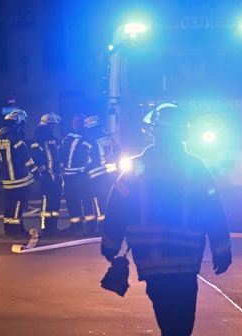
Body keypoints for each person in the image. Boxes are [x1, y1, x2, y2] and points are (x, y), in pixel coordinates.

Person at [101, 102, 232, 336]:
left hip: (151, 261)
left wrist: (110, 245)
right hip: (186, 260)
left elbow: (117, 207)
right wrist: (222, 250)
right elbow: (214, 209)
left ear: (153, 131)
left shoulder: (137, 166)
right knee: (181, 324)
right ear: (184, 134)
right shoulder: (195, 166)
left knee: (167, 319)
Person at [0, 109, 38, 238]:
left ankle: (8, 227)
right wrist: (35, 171)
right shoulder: (16, 137)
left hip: (7, 178)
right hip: (19, 177)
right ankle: (16, 229)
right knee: (19, 202)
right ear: (17, 123)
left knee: (9, 203)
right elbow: (25, 156)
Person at [82, 115, 119, 235]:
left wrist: (82, 171)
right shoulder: (109, 138)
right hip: (111, 173)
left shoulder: (87, 140)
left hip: (95, 174)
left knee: (96, 201)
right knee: (109, 200)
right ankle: (111, 225)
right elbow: (118, 153)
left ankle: (99, 228)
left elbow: (85, 158)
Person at [30, 112, 64, 237]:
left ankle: (53, 227)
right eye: (52, 125)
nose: (54, 127)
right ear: (47, 125)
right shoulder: (38, 138)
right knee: (46, 201)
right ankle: (45, 228)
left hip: (56, 175)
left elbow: (58, 156)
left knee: (55, 201)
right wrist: (44, 171)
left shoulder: (53, 138)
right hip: (47, 175)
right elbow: (35, 156)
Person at [60, 113, 93, 236]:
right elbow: (61, 155)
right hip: (70, 176)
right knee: (72, 201)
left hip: (81, 175)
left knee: (86, 200)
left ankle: (90, 227)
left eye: (78, 123)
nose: (76, 125)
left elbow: (88, 158)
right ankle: (76, 226)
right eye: (74, 123)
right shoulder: (68, 138)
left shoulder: (86, 139)